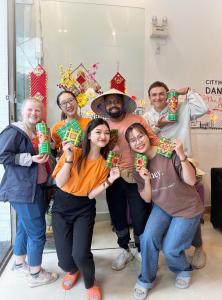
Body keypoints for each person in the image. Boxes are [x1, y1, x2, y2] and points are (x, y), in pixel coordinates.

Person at [125, 123, 204, 300]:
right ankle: (146, 279)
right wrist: (145, 180)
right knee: (147, 238)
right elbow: (147, 199)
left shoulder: (167, 151)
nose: (138, 142)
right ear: (129, 145)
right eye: (132, 140)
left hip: (187, 207)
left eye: (140, 136)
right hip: (163, 206)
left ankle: (183, 269)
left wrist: (182, 155)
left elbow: (191, 182)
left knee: (170, 249)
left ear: (147, 135)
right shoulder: (139, 167)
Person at [51, 118, 120, 300]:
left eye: (106, 133)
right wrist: (68, 159)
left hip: (84, 208)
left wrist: (110, 180)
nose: (103, 136)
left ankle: (90, 282)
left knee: (80, 254)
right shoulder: (73, 151)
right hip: (61, 206)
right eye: (98, 132)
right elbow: (59, 182)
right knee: (64, 260)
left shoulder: (105, 163)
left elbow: (90, 195)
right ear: (88, 135)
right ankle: (73, 271)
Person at [91, 89, 159, 270]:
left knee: (139, 214)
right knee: (117, 214)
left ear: (123, 103)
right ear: (105, 106)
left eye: (116, 101)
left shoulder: (137, 120)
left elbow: (152, 139)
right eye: (109, 102)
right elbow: (95, 149)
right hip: (113, 176)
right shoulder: (103, 125)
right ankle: (124, 249)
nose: (113, 104)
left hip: (136, 172)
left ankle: (140, 248)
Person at [143, 81, 208, 269]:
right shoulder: (147, 117)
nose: (158, 97)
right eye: (153, 94)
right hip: (161, 166)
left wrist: (186, 90)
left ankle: (198, 247)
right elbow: (144, 140)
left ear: (168, 94)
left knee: (190, 205)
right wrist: (158, 125)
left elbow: (202, 109)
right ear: (149, 98)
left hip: (184, 160)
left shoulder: (181, 108)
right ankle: (172, 242)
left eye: (162, 93)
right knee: (164, 203)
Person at [0, 98, 59, 287]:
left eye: (37, 111)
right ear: (22, 112)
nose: (34, 113)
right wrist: (30, 158)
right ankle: (35, 273)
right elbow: (3, 155)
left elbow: (44, 156)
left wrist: (50, 147)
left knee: (25, 227)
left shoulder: (38, 130)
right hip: (23, 190)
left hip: (36, 187)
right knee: (37, 232)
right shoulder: (14, 131)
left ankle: (19, 263)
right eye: (30, 110)